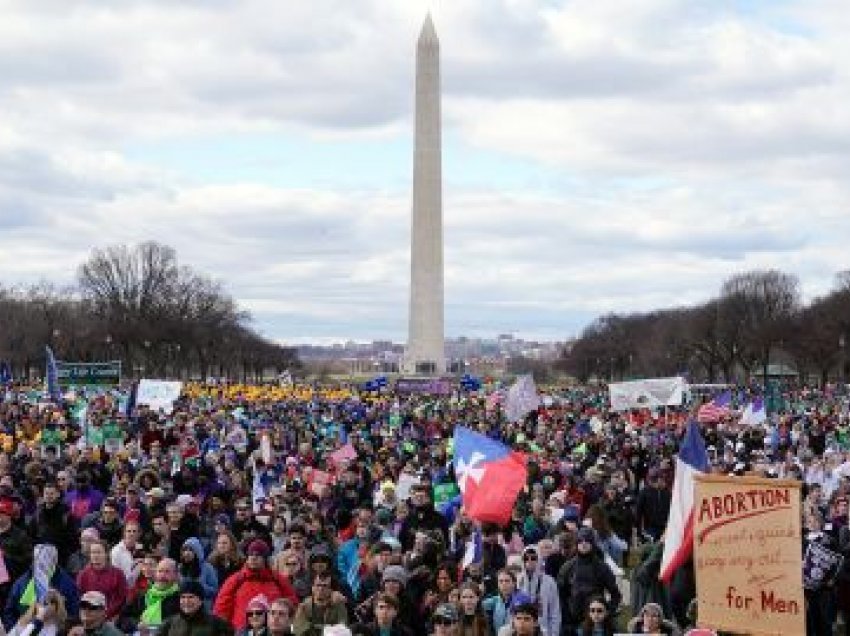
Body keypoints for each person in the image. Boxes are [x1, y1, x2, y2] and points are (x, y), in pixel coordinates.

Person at [214, 539, 299, 630]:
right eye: (250, 555)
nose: (253, 558)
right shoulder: (235, 580)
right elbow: (221, 609)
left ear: (265, 559)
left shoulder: (278, 580)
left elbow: (292, 606)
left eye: (258, 555)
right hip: (241, 631)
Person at [556, 528, 621, 634]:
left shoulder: (602, 567)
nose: (584, 544)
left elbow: (616, 594)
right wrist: (566, 616)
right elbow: (560, 595)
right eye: (581, 541)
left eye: (587, 541)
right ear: (577, 544)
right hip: (572, 619)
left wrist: (607, 611)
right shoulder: (567, 567)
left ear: (593, 543)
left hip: (596, 620)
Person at [4, 544, 80, 628]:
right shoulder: (22, 582)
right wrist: (15, 629)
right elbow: (9, 611)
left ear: (55, 560)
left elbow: (74, 613)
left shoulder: (67, 583)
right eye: (38, 558)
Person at [122, 557, 181, 631]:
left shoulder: (181, 598)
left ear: (175, 575)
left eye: (167, 572)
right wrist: (137, 624)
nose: (162, 576)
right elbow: (123, 618)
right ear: (156, 573)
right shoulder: (142, 595)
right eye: (160, 571)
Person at [76, 539, 128, 620]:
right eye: (93, 552)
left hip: (112, 617)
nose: (95, 555)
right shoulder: (83, 575)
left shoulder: (118, 574)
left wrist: (110, 615)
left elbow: (122, 598)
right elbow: (79, 597)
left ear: (106, 554)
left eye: (99, 552)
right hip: (89, 617)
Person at [159, 580, 234, 636]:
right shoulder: (169, 623)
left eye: (191, 597)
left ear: (200, 600)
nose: (186, 601)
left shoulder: (217, 624)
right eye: (183, 597)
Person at [516, 546, 560, 636]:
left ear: (539, 559)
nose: (529, 561)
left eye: (533, 558)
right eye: (526, 558)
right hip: (521, 630)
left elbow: (555, 612)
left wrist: (554, 633)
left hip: (543, 631)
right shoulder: (518, 580)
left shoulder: (549, 581)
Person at [179, 537, 219, 606]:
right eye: (185, 550)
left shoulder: (207, 568)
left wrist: (200, 586)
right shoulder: (180, 567)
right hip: (184, 605)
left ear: (197, 552)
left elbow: (215, 590)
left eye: (190, 550)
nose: (187, 553)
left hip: (204, 605)